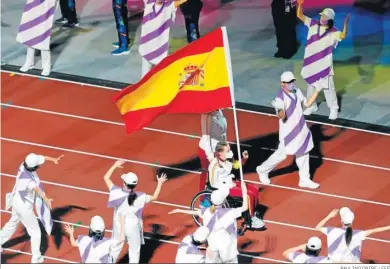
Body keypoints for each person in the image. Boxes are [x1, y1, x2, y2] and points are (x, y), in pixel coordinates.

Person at [256, 71, 321, 189]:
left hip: (301, 129)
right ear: (282, 84)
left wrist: (317, 91)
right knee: (281, 155)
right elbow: (282, 117)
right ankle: (262, 170)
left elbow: (306, 105)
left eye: (292, 81)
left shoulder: (297, 91)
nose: (292, 84)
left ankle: (304, 179)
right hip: (288, 134)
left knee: (304, 152)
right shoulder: (280, 98)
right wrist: (278, 109)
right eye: (289, 82)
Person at [0, 153, 63, 263]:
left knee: (12, 223)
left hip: (16, 201)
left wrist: (53, 158)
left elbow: (41, 157)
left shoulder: (23, 165)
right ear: (34, 167)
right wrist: (46, 199)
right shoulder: (29, 181)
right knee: (35, 232)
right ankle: (36, 258)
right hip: (24, 208)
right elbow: (37, 190)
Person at [103, 160, 168, 263]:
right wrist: (159, 183)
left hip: (119, 225)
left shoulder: (116, 192)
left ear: (124, 183)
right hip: (133, 227)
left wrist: (115, 165)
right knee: (134, 252)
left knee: (114, 250)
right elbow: (155, 197)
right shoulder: (140, 196)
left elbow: (106, 177)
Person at [297, 0, 350, 120]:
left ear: (330, 19)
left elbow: (342, 36)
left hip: (324, 65)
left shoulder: (334, 32)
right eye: (321, 15)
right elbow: (300, 15)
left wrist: (345, 25)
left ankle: (334, 108)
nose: (322, 18)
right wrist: (300, 4)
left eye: (325, 16)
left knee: (328, 88)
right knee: (310, 86)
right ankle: (312, 106)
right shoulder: (312, 23)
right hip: (311, 63)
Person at [169, 185, 248, 263]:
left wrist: (180, 210)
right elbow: (245, 207)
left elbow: (196, 212)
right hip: (226, 248)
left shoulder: (207, 211)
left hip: (213, 247)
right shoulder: (229, 212)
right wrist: (244, 191)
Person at [208, 141, 264, 230]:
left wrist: (244, 158)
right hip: (224, 188)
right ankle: (249, 221)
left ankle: (253, 211)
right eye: (227, 151)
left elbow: (237, 165)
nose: (230, 152)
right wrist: (228, 184)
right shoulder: (214, 166)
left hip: (232, 181)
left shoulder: (227, 159)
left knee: (254, 190)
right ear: (220, 153)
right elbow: (213, 183)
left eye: (229, 150)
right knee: (248, 195)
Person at [316, 207, 390, 263]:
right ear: (352, 220)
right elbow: (374, 231)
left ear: (341, 221)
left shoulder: (332, 231)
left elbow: (318, 227)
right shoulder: (357, 234)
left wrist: (329, 216)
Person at [139, 0, 188, 77]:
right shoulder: (148, 3)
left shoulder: (168, 6)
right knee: (144, 79)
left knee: (159, 77)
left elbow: (180, 2)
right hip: (147, 49)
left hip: (160, 51)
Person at [17, 0, 59, 76]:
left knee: (43, 37)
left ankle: (46, 66)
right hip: (34, 5)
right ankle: (29, 63)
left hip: (47, 5)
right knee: (30, 35)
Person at [198, 109, 227, 192]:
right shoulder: (206, 115)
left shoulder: (219, 112)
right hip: (207, 151)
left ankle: (216, 196)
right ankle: (203, 200)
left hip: (218, 149)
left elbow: (223, 133)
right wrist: (210, 157)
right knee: (207, 173)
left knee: (219, 174)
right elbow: (206, 137)